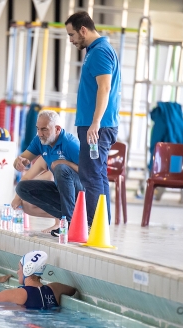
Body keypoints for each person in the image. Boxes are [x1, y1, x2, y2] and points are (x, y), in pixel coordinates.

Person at [65, 11, 121, 225]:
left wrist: (95, 122)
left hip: (97, 126)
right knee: (97, 175)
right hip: (95, 125)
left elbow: (104, 88)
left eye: (72, 35)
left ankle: (93, 225)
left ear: (83, 30)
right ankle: (100, 226)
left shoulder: (100, 52)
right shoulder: (95, 50)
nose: (70, 40)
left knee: (90, 177)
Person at [13, 110, 84, 236]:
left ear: (57, 129)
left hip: (82, 195)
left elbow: (90, 172)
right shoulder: (39, 141)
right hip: (63, 194)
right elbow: (22, 159)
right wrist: (19, 162)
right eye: (38, 129)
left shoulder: (70, 144)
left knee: (61, 168)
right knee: (22, 188)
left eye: (44, 129)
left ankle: (68, 223)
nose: (40, 134)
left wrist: (65, 163)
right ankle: (65, 219)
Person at [0, 251, 76, 309]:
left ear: (27, 269)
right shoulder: (56, 288)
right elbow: (73, 290)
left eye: (19, 268)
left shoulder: (16, 294)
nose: (17, 272)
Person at [11, 156, 59, 233]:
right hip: (61, 198)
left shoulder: (66, 152)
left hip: (77, 195)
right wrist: (17, 198)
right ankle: (62, 219)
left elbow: (50, 178)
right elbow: (26, 178)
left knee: (51, 178)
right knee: (26, 205)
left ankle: (61, 222)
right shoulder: (45, 157)